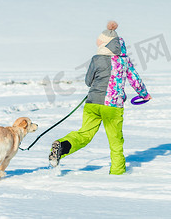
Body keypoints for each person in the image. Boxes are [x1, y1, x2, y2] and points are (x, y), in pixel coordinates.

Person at [48, 21, 152, 175]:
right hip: (112, 107)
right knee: (115, 142)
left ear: (105, 44)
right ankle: (118, 174)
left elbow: (88, 82)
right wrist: (144, 95)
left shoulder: (96, 59)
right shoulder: (124, 61)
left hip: (92, 103)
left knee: (84, 134)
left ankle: (62, 146)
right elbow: (135, 80)